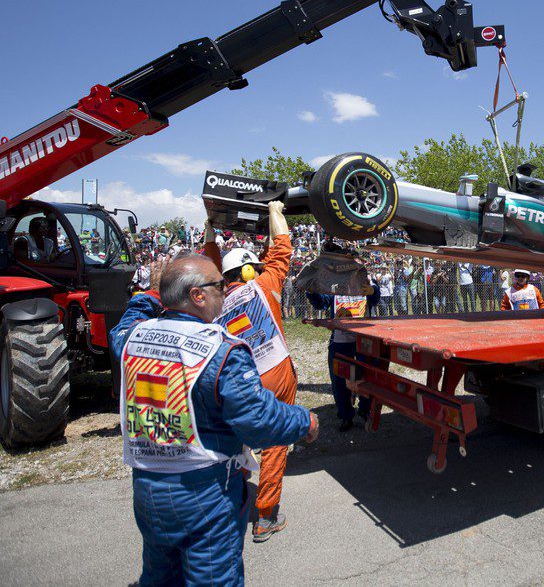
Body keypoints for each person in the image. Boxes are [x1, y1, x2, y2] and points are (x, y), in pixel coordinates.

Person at [110, 255, 317, 585]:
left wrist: (154, 292)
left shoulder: (131, 338)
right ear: (197, 296)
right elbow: (258, 421)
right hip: (204, 492)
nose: (225, 291)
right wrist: (304, 421)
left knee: (160, 575)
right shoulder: (219, 351)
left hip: (147, 490)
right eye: (218, 286)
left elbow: (124, 323)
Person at [203, 201, 298, 543]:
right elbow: (282, 244)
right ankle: (266, 516)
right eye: (254, 267)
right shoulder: (264, 284)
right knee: (275, 442)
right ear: (248, 272)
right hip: (274, 373)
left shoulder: (210, 302)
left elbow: (209, 268)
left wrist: (211, 232)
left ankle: (230, 502)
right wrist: (274, 209)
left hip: (233, 382)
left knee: (233, 441)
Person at [309, 281, 380, 431]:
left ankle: (365, 410)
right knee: (339, 381)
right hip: (340, 341)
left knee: (367, 377)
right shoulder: (335, 285)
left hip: (363, 340)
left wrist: (373, 290)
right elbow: (321, 303)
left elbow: (375, 299)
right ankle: (346, 416)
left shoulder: (366, 281)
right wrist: (311, 291)